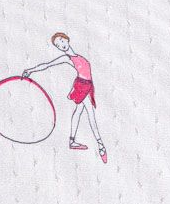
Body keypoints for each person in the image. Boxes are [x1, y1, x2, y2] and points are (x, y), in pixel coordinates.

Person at [23, 33, 107, 163]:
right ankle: (100, 145)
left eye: (61, 40)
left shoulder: (77, 56)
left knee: (78, 112)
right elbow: (47, 64)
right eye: (58, 45)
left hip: (87, 85)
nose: (61, 45)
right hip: (82, 86)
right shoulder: (67, 58)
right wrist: (31, 70)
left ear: (67, 39)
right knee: (90, 113)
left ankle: (72, 141)